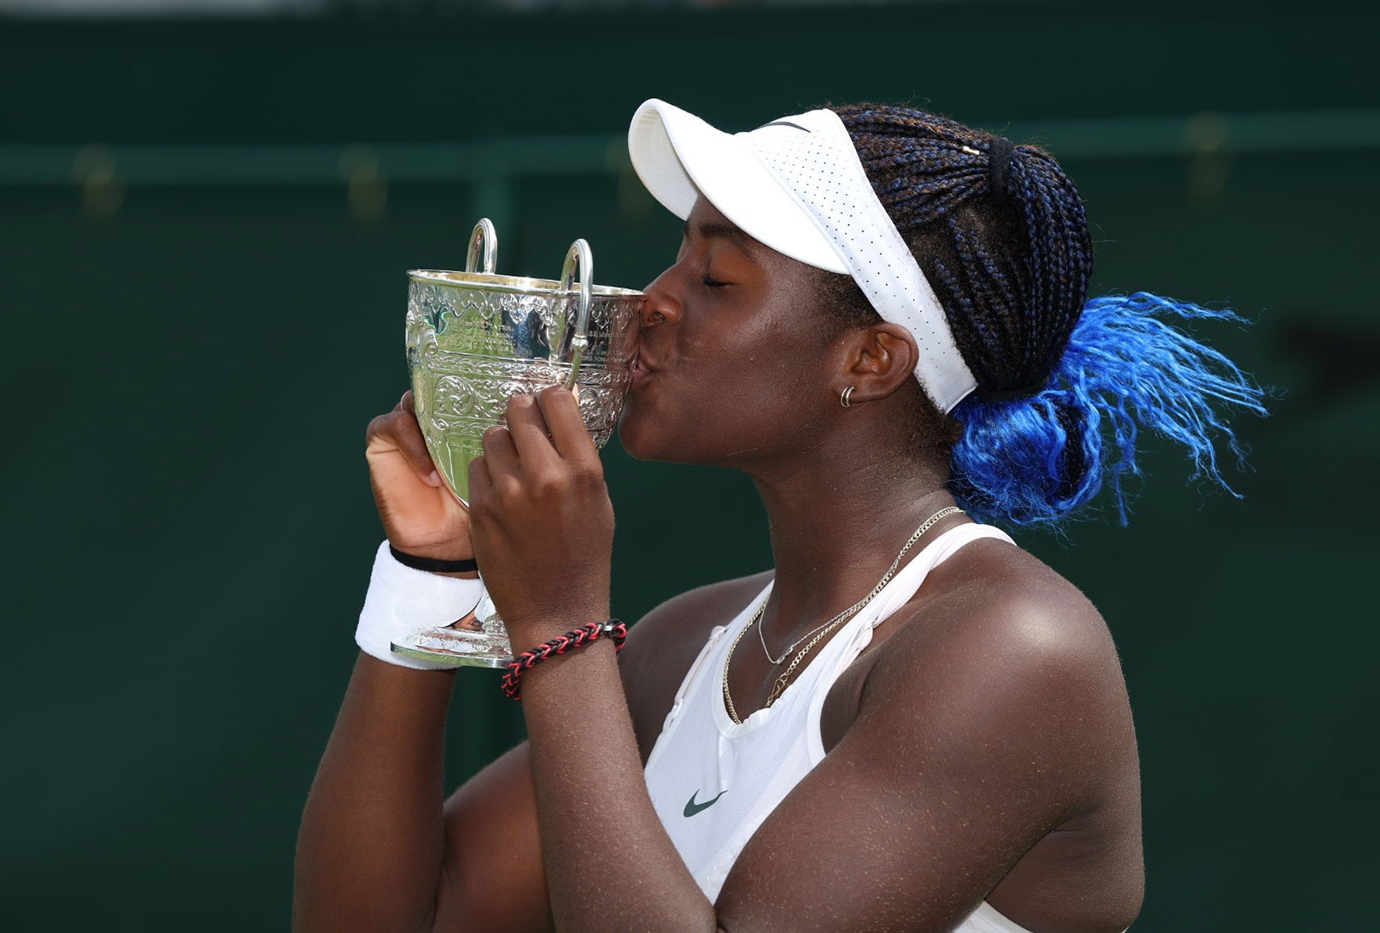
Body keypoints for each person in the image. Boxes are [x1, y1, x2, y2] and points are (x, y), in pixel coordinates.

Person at [293, 98, 1266, 932]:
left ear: (869, 361)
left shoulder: (1016, 652)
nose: (653, 303)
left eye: (715, 280)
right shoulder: (687, 647)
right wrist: (432, 575)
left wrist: (559, 630)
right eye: (677, 259)